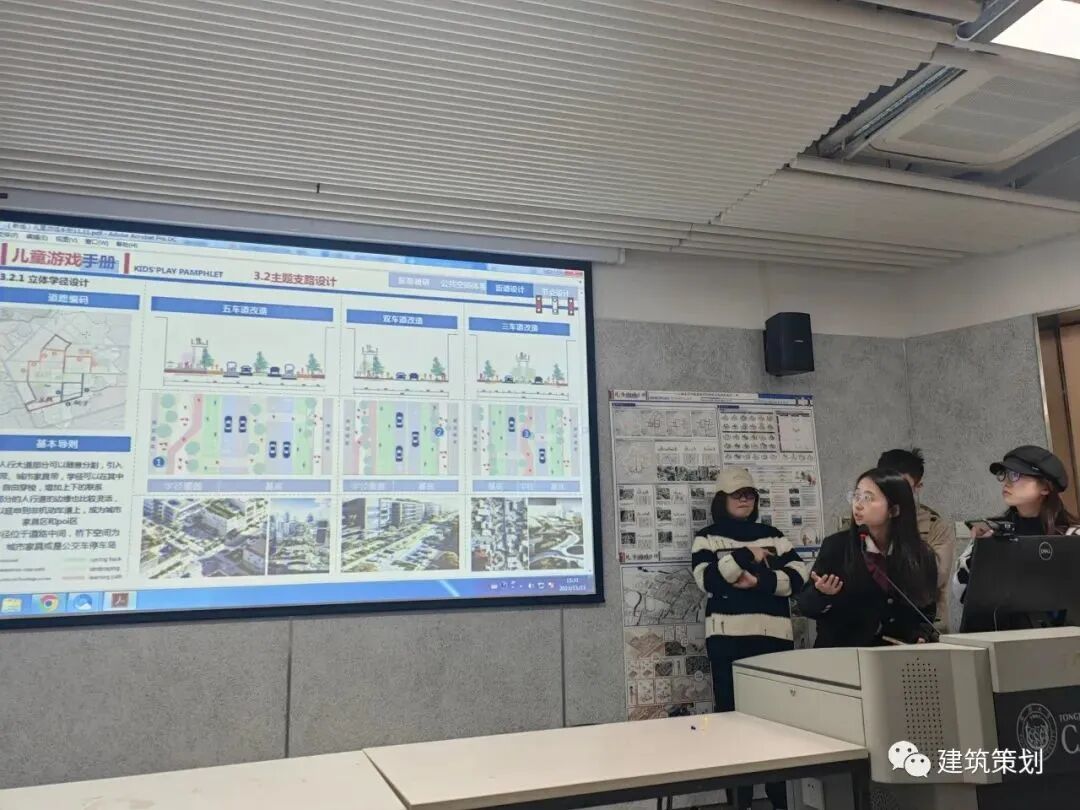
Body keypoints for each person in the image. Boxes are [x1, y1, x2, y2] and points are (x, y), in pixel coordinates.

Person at [691, 468, 808, 810]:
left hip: (774, 645)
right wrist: (747, 555)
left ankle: (780, 801)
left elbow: (799, 576)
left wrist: (760, 582)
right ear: (722, 500)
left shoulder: (774, 535)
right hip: (728, 646)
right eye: (737, 494)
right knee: (731, 726)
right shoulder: (706, 538)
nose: (745, 500)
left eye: (750, 494)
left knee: (778, 726)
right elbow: (709, 580)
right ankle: (739, 802)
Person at [795, 468, 938, 648]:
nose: (858, 504)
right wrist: (821, 594)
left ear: (894, 510)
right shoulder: (837, 547)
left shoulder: (921, 555)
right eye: (856, 496)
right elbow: (805, 606)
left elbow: (926, 610)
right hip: (842, 654)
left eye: (868, 498)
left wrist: (921, 635)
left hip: (894, 656)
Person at [956, 446, 1080, 626]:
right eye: (1005, 474)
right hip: (998, 636)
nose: (1006, 482)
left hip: (1061, 637)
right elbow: (961, 594)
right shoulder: (993, 532)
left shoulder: (1072, 536)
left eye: (1016, 475)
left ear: (1045, 488)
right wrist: (982, 551)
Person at [877, 448, 955, 631]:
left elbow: (933, 579)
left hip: (925, 628)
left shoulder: (936, 526)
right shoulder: (865, 521)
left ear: (918, 487)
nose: (894, 492)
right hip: (874, 628)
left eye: (902, 485)